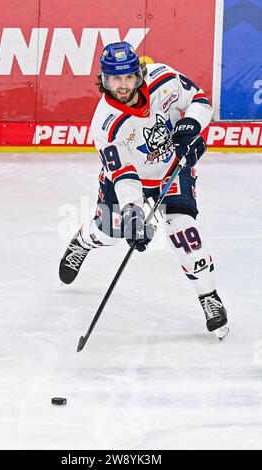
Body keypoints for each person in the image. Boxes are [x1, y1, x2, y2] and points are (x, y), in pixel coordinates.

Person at [59, 41, 228, 339]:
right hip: (131, 180)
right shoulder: (106, 125)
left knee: (184, 231)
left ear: (138, 74)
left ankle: (209, 296)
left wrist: (190, 127)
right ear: (104, 80)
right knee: (110, 232)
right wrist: (134, 214)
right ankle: (85, 241)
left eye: (127, 78)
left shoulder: (163, 78)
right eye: (114, 79)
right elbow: (123, 175)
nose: (122, 86)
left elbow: (199, 99)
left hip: (172, 170)